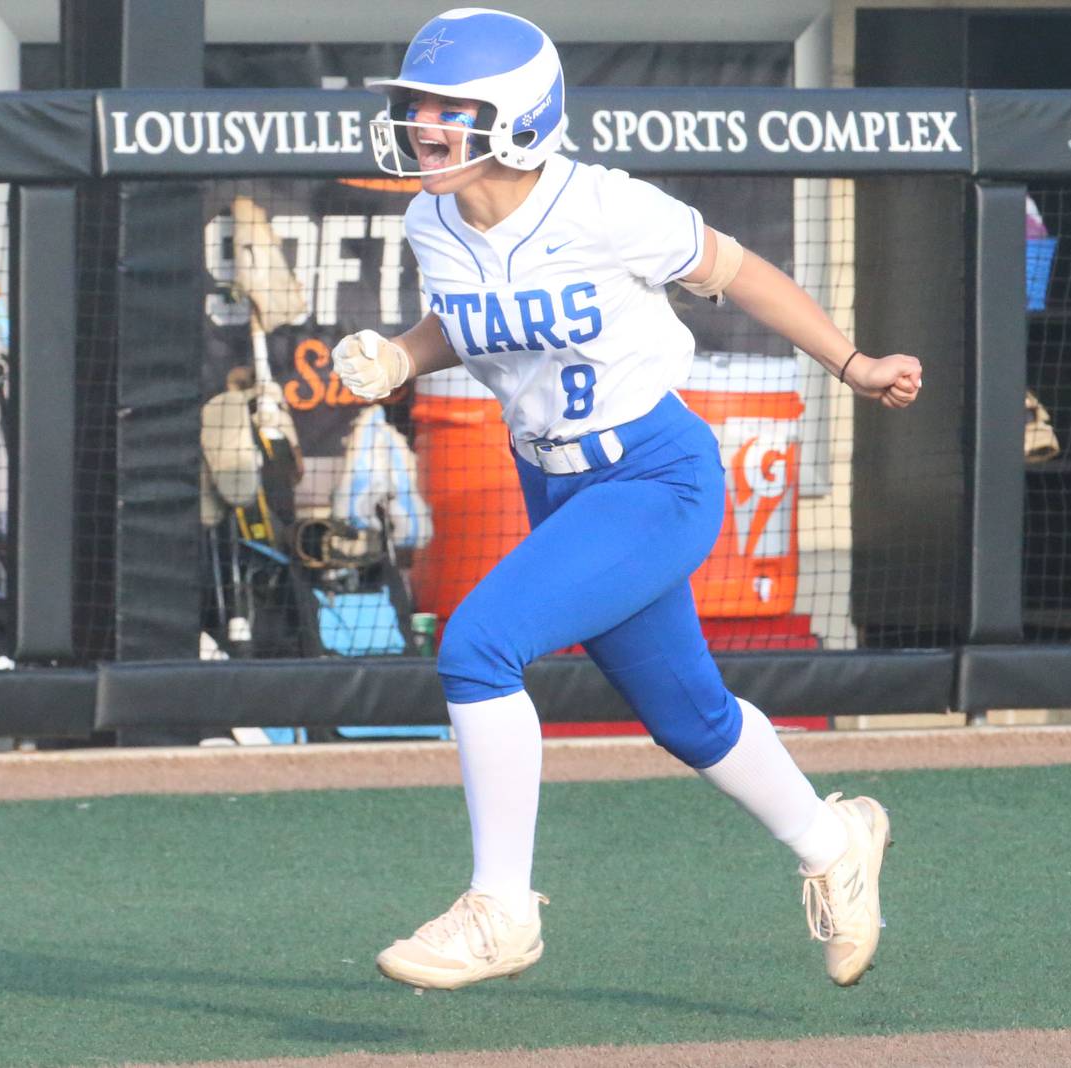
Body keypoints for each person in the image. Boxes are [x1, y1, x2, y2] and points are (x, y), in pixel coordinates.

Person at [333, 7, 923, 993]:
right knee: (687, 715)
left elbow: (742, 274)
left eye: (449, 107)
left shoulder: (603, 206)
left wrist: (854, 364)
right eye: (415, 105)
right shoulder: (429, 218)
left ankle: (502, 909)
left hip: (654, 474)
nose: (423, 125)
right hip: (554, 483)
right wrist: (400, 353)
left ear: (519, 117)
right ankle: (835, 842)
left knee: (478, 646)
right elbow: (465, 318)